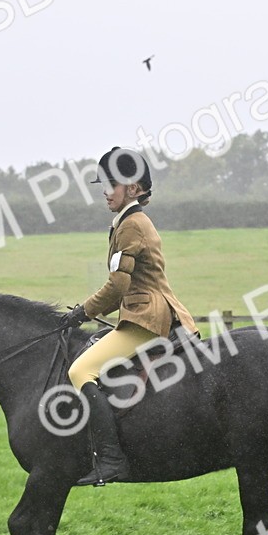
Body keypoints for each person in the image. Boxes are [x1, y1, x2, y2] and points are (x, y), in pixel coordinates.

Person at [59, 147, 198, 486]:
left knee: (80, 370)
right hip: (148, 312)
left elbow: (118, 284)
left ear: (133, 189)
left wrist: (84, 311)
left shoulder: (131, 225)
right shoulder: (129, 221)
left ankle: (110, 460)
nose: (105, 192)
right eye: (103, 185)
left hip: (147, 319)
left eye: (112, 184)